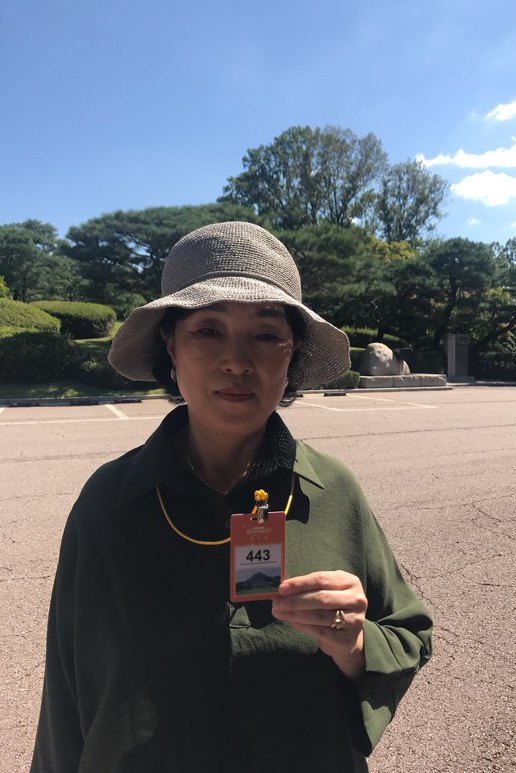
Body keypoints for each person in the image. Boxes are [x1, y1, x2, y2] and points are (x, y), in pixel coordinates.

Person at [30, 221, 432, 773]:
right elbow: (65, 695)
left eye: (266, 335)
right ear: (170, 344)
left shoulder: (333, 490)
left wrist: (354, 643)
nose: (238, 361)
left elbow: (408, 635)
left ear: (292, 353)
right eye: (208, 330)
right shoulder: (108, 504)